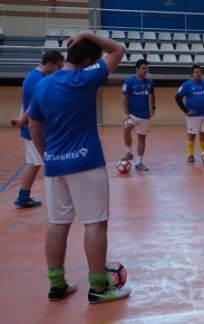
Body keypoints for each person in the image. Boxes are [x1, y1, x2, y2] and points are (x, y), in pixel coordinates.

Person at [28, 31, 130, 304]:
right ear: (87, 61)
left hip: (55, 165)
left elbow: (34, 126)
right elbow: (118, 50)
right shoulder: (86, 78)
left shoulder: (43, 85)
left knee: (58, 224)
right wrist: (86, 33)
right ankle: (99, 287)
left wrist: (47, 156)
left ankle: (57, 284)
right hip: (86, 162)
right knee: (95, 224)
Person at [10, 50, 64, 208]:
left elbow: (26, 104)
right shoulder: (37, 80)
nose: (60, 69)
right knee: (48, 163)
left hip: (32, 128)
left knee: (34, 162)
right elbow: (33, 105)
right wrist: (22, 120)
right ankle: (58, 199)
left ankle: (23, 197)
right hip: (35, 130)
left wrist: (21, 120)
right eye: (59, 66)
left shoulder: (32, 76)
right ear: (52, 63)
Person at [121, 58, 156, 171]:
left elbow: (152, 94)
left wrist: (153, 107)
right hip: (132, 114)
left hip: (145, 115)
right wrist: (126, 113)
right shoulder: (129, 81)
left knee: (142, 139)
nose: (145, 70)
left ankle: (139, 163)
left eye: (146, 68)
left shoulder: (149, 82)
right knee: (126, 128)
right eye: (143, 68)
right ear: (137, 69)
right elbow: (124, 98)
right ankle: (129, 152)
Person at [175, 64, 204, 162]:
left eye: (200, 72)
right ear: (192, 74)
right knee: (191, 134)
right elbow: (177, 97)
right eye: (196, 72)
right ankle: (190, 155)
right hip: (193, 115)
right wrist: (185, 110)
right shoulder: (187, 85)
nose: (199, 74)